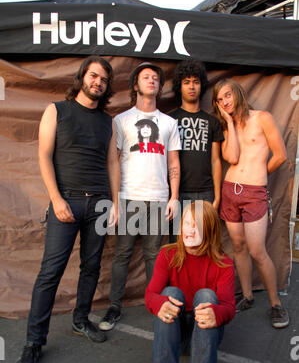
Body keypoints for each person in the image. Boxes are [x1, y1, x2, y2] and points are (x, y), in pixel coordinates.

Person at [14, 56, 120, 363]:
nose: (98, 82)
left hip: (100, 203)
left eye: (103, 79)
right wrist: (56, 199)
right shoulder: (56, 110)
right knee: (50, 272)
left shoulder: (108, 122)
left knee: (91, 266)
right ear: (82, 77)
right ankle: (33, 343)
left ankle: (80, 319)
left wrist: (115, 203)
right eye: (94, 75)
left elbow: (113, 164)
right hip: (67, 202)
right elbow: (43, 156)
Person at [99, 62, 181, 331]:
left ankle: (156, 304)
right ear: (135, 85)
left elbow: (174, 162)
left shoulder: (169, 123)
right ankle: (114, 307)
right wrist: (114, 200)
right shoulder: (120, 120)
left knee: (154, 257)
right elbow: (114, 161)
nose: (152, 81)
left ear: (160, 86)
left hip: (158, 198)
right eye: (146, 77)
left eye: (156, 78)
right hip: (128, 197)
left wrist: (174, 197)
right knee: (122, 254)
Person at [143, 201, 235, 363]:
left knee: (206, 297)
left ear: (210, 230)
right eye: (186, 223)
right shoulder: (168, 255)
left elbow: (229, 307)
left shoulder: (224, 264)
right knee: (169, 293)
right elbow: (150, 295)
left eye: (197, 225)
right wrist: (160, 303)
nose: (189, 230)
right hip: (178, 332)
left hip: (205, 333)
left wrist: (216, 312)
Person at [212, 78, 289, 328]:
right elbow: (232, 157)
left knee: (257, 250)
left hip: (254, 192)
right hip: (229, 190)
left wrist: (259, 178)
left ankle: (276, 304)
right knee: (238, 246)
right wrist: (230, 123)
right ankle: (246, 296)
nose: (225, 102)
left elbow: (281, 155)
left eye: (227, 96)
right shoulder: (227, 126)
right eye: (219, 100)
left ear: (237, 93)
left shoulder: (262, 117)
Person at [169, 59, 223, 217]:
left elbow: (216, 160)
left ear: (202, 85)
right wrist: (172, 194)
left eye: (196, 82)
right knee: (178, 241)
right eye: (186, 82)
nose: (191, 86)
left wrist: (217, 196)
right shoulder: (169, 120)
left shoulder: (212, 121)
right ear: (180, 86)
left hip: (206, 193)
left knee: (204, 241)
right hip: (178, 193)